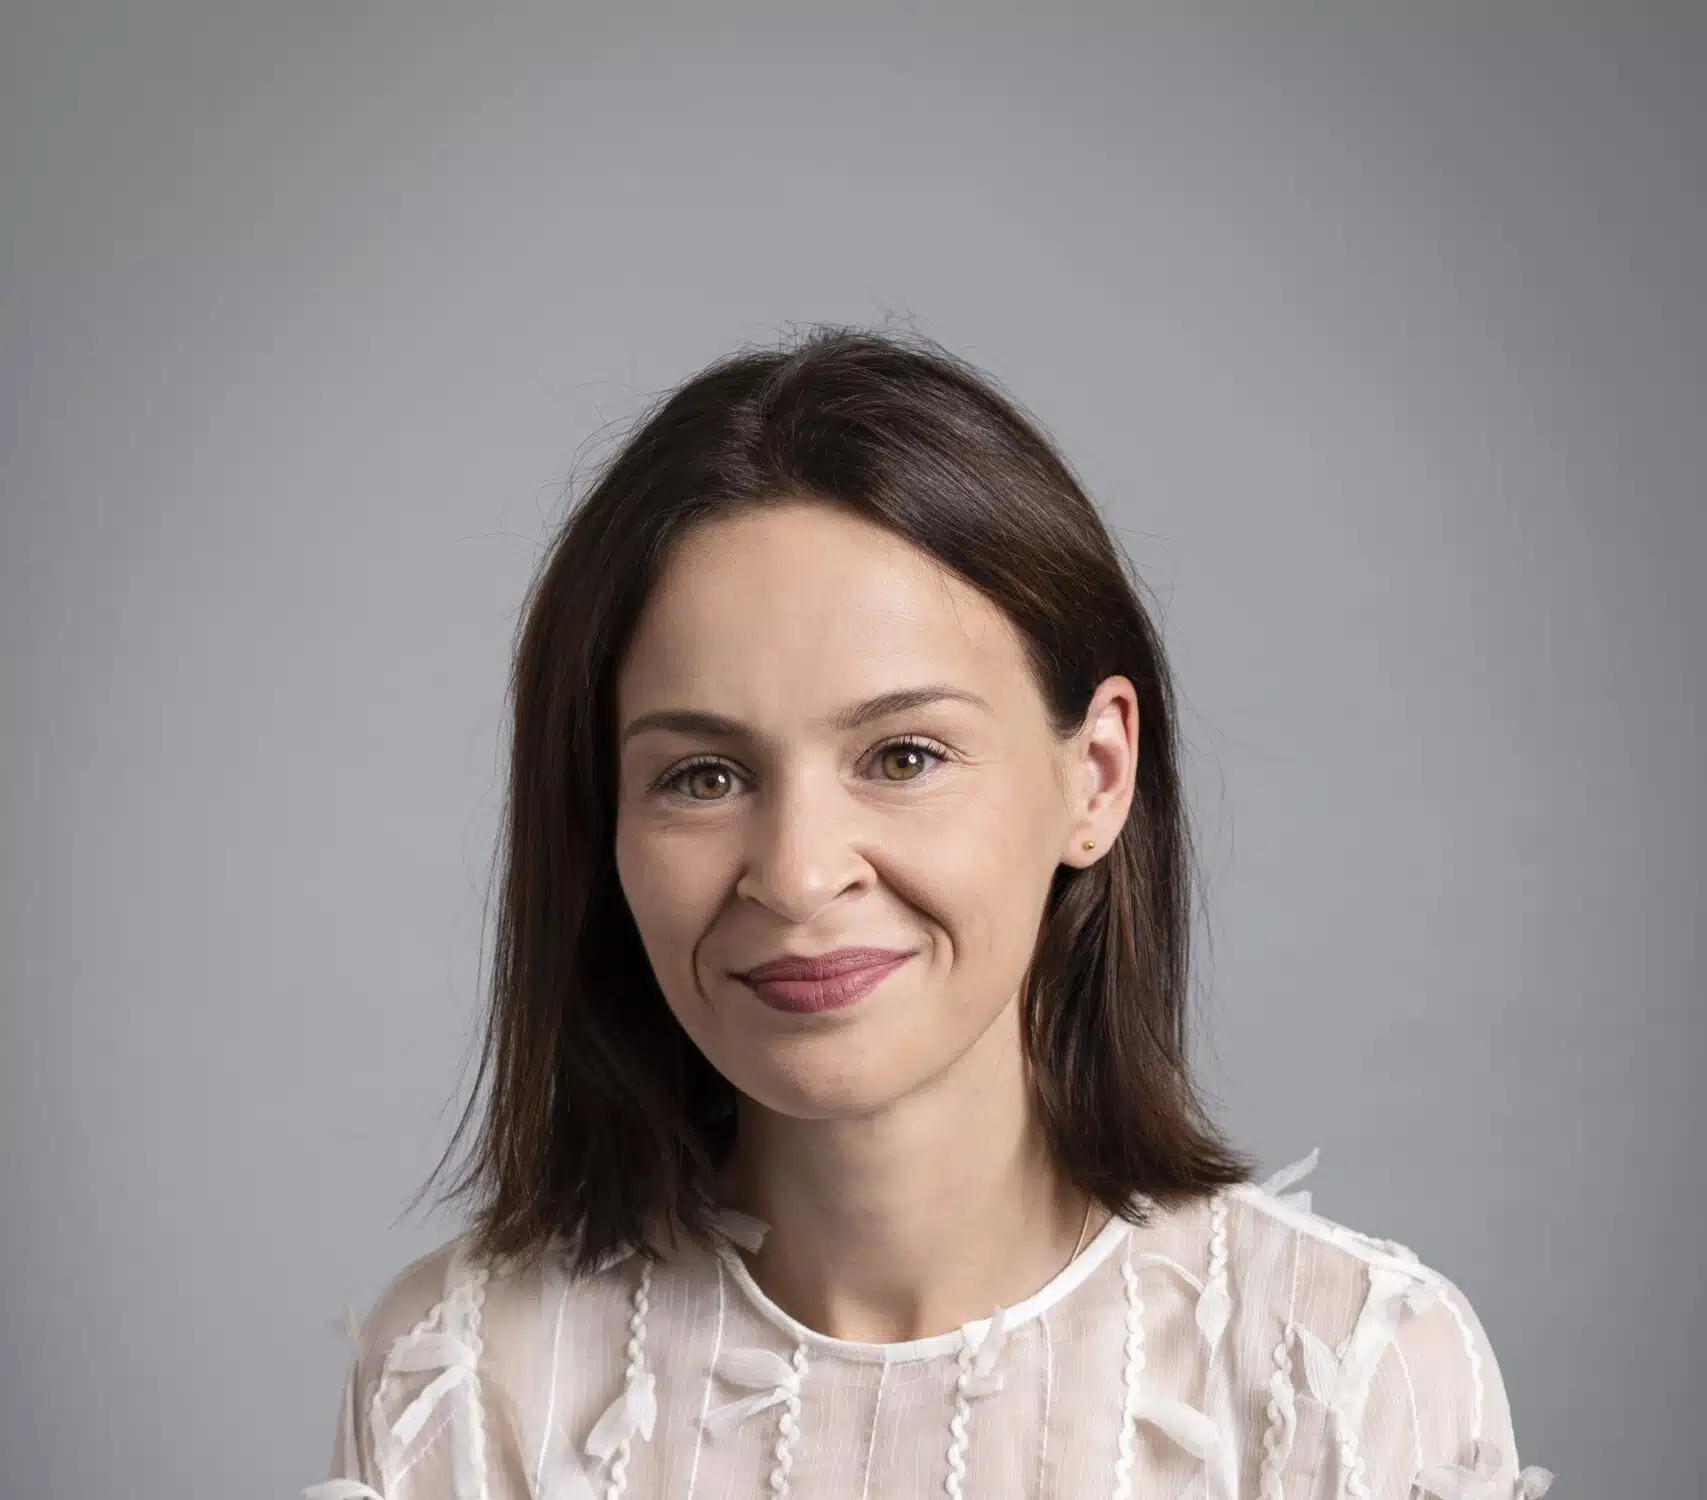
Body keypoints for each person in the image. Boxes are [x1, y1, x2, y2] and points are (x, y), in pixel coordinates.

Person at [303, 328, 1553, 1500]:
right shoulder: (467, 1384)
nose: (795, 875)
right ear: (604, 823)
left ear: (1097, 775)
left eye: (902, 756)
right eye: (703, 776)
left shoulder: (1349, 1375)